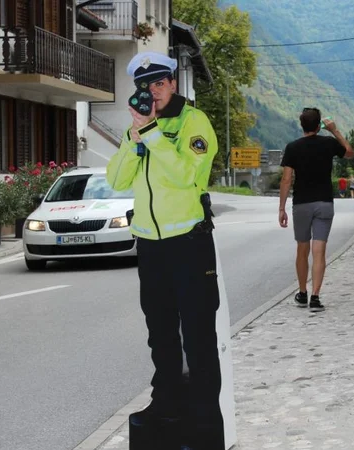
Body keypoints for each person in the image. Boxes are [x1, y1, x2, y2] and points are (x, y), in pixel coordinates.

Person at [106, 51, 225, 449]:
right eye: (144, 87)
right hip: (151, 247)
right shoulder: (141, 127)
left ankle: (205, 415)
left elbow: (186, 175)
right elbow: (118, 179)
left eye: (158, 84)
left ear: (173, 83)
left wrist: (154, 135)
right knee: (160, 333)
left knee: (197, 333)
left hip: (188, 244)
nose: (152, 92)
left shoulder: (195, 123)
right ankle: (166, 403)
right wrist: (133, 138)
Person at [278, 108, 354, 312]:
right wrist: (335, 131)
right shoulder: (328, 144)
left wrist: (281, 208)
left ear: (301, 124)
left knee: (302, 249)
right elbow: (349, 152)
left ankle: (302, 293)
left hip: (301, 204)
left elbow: (286, 180)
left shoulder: (292, 147)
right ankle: (315, 297)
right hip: (324, 203)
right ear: (319, 124)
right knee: (319, 251)